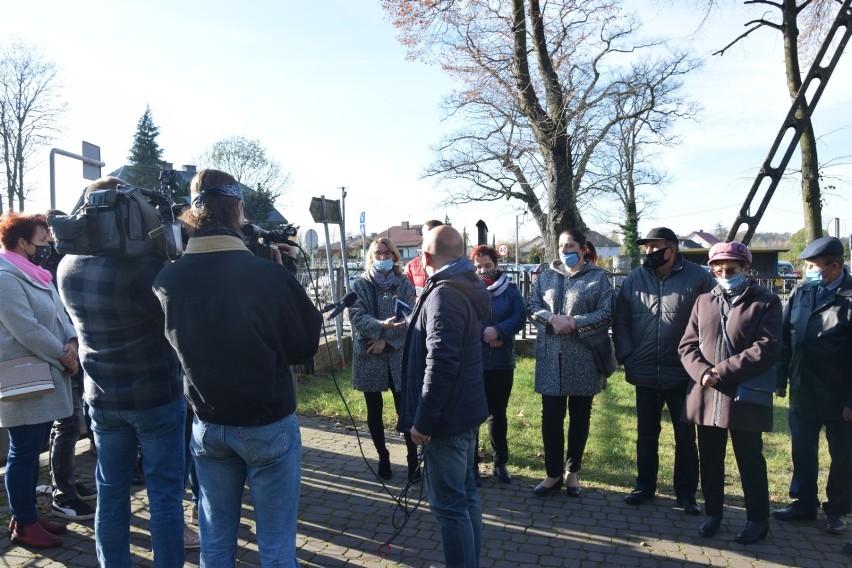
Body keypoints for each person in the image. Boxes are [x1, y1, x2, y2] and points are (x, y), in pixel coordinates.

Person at [153, 168, 322, 566]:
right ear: (239, 210)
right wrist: (284, 276)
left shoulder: (167, 279)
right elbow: (302, 346)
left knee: (215, 541)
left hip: (208, 423)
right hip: (267, 424)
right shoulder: (267, 275)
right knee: (277, 545)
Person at [58, 177, 191, 566]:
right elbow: (176, 326)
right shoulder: (144, 271)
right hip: (155, 397)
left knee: (110, 492)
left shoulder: (68, 266)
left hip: (101, 396)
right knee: (165, 494)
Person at [679, 241, 782, 544]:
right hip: (706, 394)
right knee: (709, 457)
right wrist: (702, 372)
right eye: (717, 268)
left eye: (731, 268)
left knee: (749, 458)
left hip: (743, 395)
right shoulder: (704, 301)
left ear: (745, 268)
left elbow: (767, 347)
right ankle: (713, 512)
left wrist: (719, 372)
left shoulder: (766, 301)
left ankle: (758, 519)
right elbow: (687, 344)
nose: (723, 273)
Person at [400, 225, 489, 568]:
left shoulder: (444, 294)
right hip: (463, 411)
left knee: (451, 506)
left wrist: (424, 419)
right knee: (466, 499)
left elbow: (441, 362)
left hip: (446, 420)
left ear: (424, 257)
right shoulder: (462, 284)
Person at [613, 227, 713, 514]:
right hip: (644, 370)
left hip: (684, 373)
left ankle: (686, 494)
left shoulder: (698, 276)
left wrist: (702, 362)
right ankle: (644, 486)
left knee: (685, 437)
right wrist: (627, 355)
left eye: (655, 248)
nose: (649, 253)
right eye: (646, 248)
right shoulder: (635, 278)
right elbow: (620, 320)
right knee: (646, 434)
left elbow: (711, 321)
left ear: (672, 248)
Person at [0, 212, 78, 549]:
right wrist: (63, 355)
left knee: (32, 451)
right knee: (24, 451)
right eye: (43, 240)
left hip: (44, 372)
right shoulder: (5, 276)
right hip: (27, 376)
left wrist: (72, 341)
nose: (48, 245)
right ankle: (25, 523)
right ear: (22, 242)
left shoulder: (35, 274)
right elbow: (26, 327)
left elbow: (61, 315)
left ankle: (25, 515)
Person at [773, 236, 851, 536]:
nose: (806, 270)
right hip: (803, 390)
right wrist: (780, 379)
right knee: (802, 451)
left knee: (843, 456)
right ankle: (804, 503)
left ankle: (837, 509)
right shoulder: (802, 291)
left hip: (839, 398)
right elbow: (785, 337)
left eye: (811, 265)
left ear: (833, 267)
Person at [527, 229, 613, 497]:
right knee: (551, 418)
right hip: (550, 357)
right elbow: (531, 306)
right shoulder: (546, 275)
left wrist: (575, 322)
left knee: (580, 418)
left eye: (571, 245)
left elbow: (607, 312)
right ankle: (552, 474)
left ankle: (571, 473)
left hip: (584, 359)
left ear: (584, 248)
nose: (565, 250)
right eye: (562, 246)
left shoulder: (598, 278)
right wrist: (552, 320)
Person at [39, 212, 97, 522]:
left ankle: (67, 483)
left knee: (72, 424)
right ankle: (63, 493)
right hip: (59, 355)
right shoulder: (39, 264)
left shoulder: (61, 258)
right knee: (67, 425)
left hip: (72, 348)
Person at [348, 237, 418, 481]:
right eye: (378, 253)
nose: (383, 258)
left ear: (395, 257)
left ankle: (412, 459)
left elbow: (411, 318)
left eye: (387, 254)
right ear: (370, 256)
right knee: (373, 410)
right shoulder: (360, 284)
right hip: (369, 353)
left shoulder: (404, 284)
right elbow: (356, 315)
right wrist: (379, 328)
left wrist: (387, 342)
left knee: (405, 409)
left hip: (397, 354)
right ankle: (383, 456)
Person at [470, 245, 526, 483]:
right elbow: (465, 318)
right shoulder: (469, 290)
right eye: (479, 267)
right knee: (472, 415)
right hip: (475, 361)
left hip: (502, 361)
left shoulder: (511, 290)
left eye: (488, 266)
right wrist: (486, 333)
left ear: (496, 265)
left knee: (498, 414)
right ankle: (470, 463)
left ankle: (500, 462)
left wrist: (499, 332)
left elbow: (520, 316)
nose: (483, 271)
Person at [403, 219, 443, 298]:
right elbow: (407, 297)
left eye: (436, 235)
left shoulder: (455, 265)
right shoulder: (411, 267)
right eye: (429, 235)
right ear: (423, 238)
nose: (433, 239)